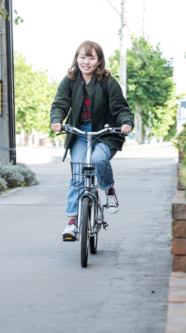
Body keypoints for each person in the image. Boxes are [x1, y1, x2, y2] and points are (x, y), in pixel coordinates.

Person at [50, 40, 134, 239]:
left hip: (105, 133)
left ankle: (109, 190)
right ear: (76, 58)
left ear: (98, 61)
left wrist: (126, 122)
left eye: (91, 57)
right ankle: (72, 223)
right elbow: (60, 104)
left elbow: (121, 108)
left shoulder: (107, 82)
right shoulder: (70, 80)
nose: (86, 61)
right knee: (78, 174)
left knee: (97, 160)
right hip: (79, 132)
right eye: (82, 57)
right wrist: (56, 120)